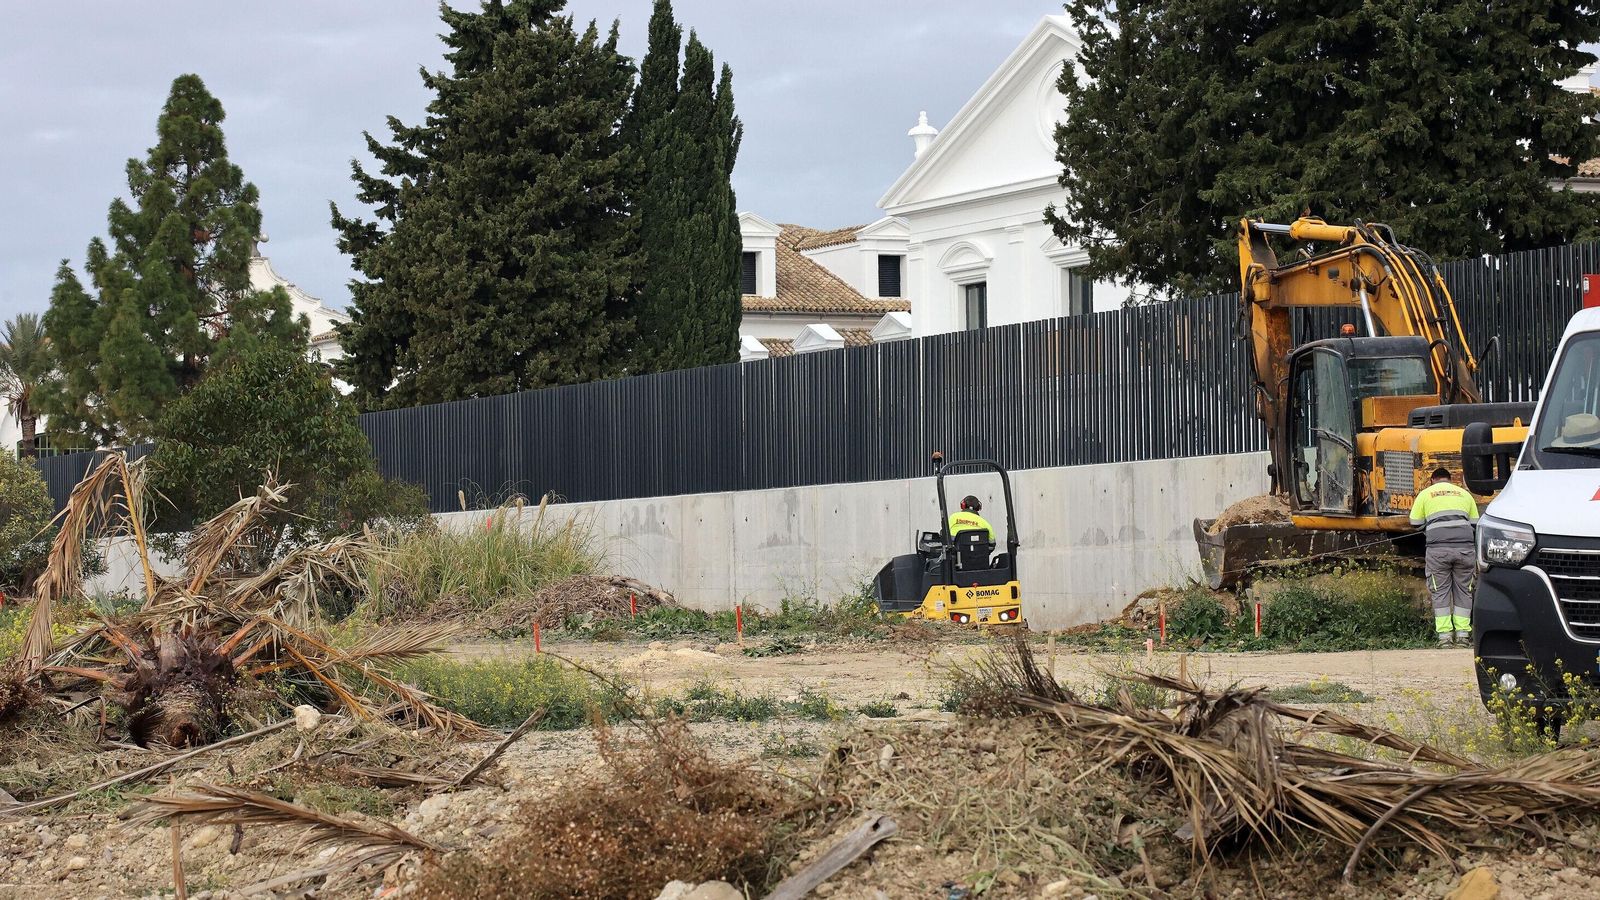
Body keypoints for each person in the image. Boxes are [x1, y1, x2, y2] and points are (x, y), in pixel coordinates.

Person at [1409, 467, 1480, 644]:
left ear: (1433, 480)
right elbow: (1475, 523)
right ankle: (1463, 636)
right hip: (1465, 550)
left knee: (1440, 592)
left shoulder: (1426, 494)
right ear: (1450, 480)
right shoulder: (1464, 494)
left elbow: (1415, 522)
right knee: (1465, 590)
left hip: (1438, 551)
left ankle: (1445, 637)